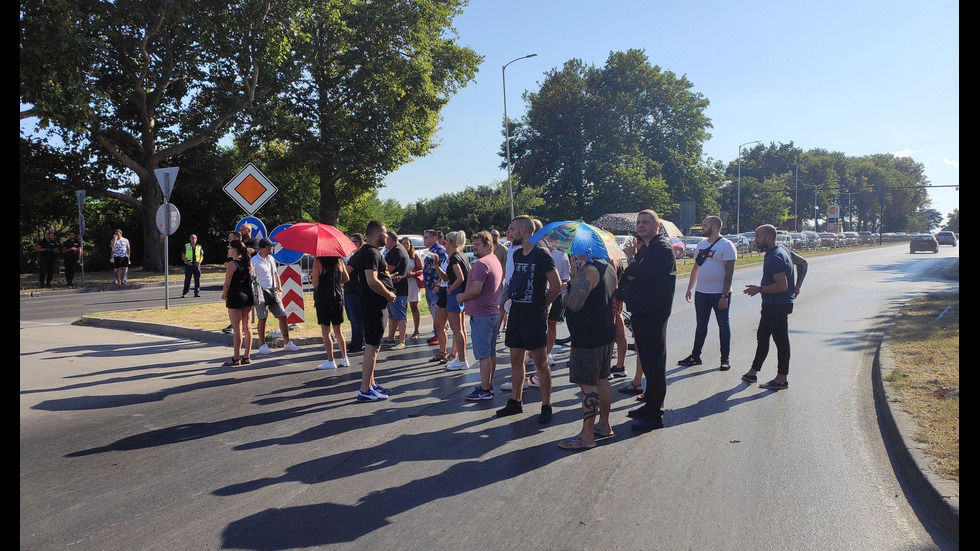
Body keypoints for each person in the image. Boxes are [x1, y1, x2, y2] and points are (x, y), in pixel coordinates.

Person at [496, 215, 562, 423]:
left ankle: (546, 404)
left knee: (540, 361)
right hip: (517, 313)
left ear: (524, 231)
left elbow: (556, 285)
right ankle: (516, 401)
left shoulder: (541, 254)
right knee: (516, 359)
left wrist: (543, 305)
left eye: (512, 229)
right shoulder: (516, 254)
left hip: (533, 315)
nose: (510, 232)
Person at [617, 210, 676, 432]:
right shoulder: (648, 248)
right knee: (648, 361)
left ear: (657, 226)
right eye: (639, 222)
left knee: (655, 363)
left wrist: (632, 262)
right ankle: (648, 403)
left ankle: (655, 413)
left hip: (654, 312)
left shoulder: (661, 247)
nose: (640, 226)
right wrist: (633, 268)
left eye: (645, 222)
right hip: (643, 310)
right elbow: (629, 274)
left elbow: (639, 272)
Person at [557, 252, 619, 450]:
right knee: (602, 379)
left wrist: (563, 292)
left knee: (587, 385)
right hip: (604, 332)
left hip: (587, 337)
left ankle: (587, 435)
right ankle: (604, 424)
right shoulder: (608, 267)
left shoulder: (588, 272)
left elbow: (574, 303)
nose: (572, 254)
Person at [741, 224, 808, 390]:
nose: (755, 240)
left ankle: (781, 378)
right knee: (763, 336)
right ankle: (753, 372)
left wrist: (760, 289)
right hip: (775, 304)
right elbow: (803, 263)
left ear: (768, 238)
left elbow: (782, 285)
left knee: (780, 340)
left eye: (757, 237)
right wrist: (798, 285)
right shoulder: (781, 248)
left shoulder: (774, 257)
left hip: (777, 304)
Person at [678, 216, 738, 371]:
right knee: (701, 325)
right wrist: (690, 288)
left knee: (723, 325)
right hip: (702, 293)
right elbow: (696, 267)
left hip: (719, 293)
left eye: (705, 225)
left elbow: (729, 272)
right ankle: (695, 356)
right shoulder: (701, 244)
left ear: (715, 227)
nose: (702, 228)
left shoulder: (727, 246)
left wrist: (724, 295)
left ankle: (725, 359)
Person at [349, 220, 397, 402]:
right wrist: (388, 294)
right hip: (373, 304)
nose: (387, 236)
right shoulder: (370, 252)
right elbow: (372, 280)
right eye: (385, 233)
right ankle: (364, 390)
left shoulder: (369, 252)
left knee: (375, 346)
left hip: (373, 304)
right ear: (377, 233)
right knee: (371, 346)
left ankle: (371, 384)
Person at [457, 231, 503, 400]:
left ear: (488, 245)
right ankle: (487, 384)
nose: (474, 248)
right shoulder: (494, 261)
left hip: (482, 315)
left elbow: (475, 289)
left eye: (477, 245)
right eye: (473, 244)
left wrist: (461, 297)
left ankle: (485, 390)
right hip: (491, 312)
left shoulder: (482, 264)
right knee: (490, 352)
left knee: (483, 354)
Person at [251, 238, 300, 355]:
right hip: (260, 292)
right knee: (262, 318)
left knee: (282, 315)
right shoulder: (254, 261)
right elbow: (251, 278)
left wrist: (280, 288)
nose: (272, 248)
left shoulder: (271, 259)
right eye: (270, 247)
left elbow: (275, 274)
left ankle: (287, 343)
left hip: (273, 291)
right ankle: (263, 344)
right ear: (264, 248)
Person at [437, 230, 471, 371]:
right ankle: (461, 358)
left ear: (450, 242)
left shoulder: (455, 258)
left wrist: (451, 289)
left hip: (455, 294)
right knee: (460, 328)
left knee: (457, 329)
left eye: (446, 241)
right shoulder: (460, 255)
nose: (444, 243)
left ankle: (462, 359)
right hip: (459, 293)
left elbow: (460, 277)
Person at [312, 254, 351, 369]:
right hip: (338, 298)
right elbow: (346, 278)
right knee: (338, 330)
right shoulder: (339, 262)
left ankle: (331, 360)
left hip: (323, 299)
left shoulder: (317, 263)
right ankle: (345, 358)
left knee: (326, 331)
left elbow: (315, 283)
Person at [220, 239, 255, 366]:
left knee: (237, 329)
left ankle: (236, 358)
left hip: (235, 296)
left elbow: (227, 283)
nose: (228, 250)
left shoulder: (232, 264)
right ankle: (247, 356)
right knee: (248, 327)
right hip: (248, 295)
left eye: (229, 248)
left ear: (234, 250)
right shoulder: (247, 262)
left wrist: (224, 294)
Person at [543, 245, 570, 368]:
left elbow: (565, 275)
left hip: (556, 293)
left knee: (552, 323)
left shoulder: (561, 254)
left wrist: (563, 284)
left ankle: (548, 353)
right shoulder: (540, 251)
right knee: (539, 324)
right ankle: (533, 354)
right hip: (541, 292)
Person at [421, 229, 449, 347]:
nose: (424, 239)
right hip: (429, 285)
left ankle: (440, 335)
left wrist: (438, 283)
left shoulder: (440, 250)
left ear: (434, 238)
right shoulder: (430, 251)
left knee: (437, 311)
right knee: (433, 311)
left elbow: (445, 268)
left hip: (436, 286)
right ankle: (436, 333)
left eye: (427, 237)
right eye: (424, 237)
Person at [383, 231, 410, 349]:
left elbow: (387, 270)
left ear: (390, 239)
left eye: (385, 240)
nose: (384, 243)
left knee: (399, 315)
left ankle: (402, 341)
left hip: (397, 288)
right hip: (396, 287)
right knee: (393, 316)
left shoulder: (397, 251)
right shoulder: (398, 249)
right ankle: (390, 338)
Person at [344, 233, 365, 354]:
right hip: (352, 289)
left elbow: (347, 273)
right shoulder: (355, 256)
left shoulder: (356, 257)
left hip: (354, 290)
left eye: (353, 242)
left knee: (356, 318)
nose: (351, 244)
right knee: (353, 318)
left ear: (359, 243)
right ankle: (355, 340)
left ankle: (358, 343)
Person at [400, 236, 425, 340]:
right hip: (402, 283)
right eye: (404, 243)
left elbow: (421, 269)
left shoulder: (414, 256)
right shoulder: (399, 255)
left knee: (414, 306)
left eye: (408, 243)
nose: (406, 245)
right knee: (402, 307)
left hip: (412, 283)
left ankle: (416, 330)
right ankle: (403, 331)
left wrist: (413, 273)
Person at [181, 233, 203, 298]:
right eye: (192, 238)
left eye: (194, 238)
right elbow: (183, 256)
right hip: (189, 265)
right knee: (187, 279)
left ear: (196, 239)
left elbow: (201, 256)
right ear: (189, 239)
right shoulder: (186, 246)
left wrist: (199, 262)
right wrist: (187, 262)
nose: (193, 239)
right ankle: (185, 293)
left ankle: (197, 292)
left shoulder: (199, 247)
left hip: (196, 265)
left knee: (197, 279)